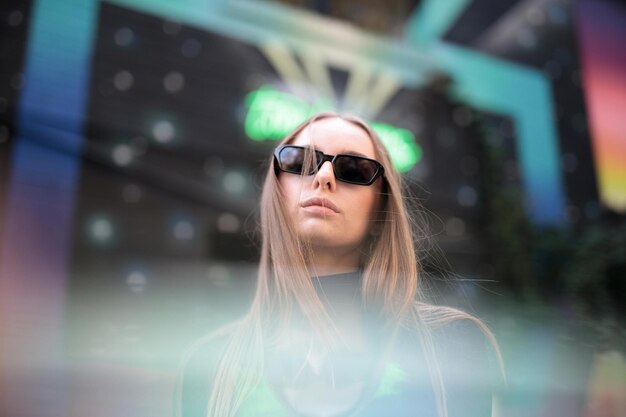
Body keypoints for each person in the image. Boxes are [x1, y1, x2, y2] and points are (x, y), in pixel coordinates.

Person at [176, 112, 504, 417]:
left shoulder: (454, 346)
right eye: (300, 161)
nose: (323, 176)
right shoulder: (210, 365)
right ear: (276, 192)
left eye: (354, 170)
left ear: (382, 207)